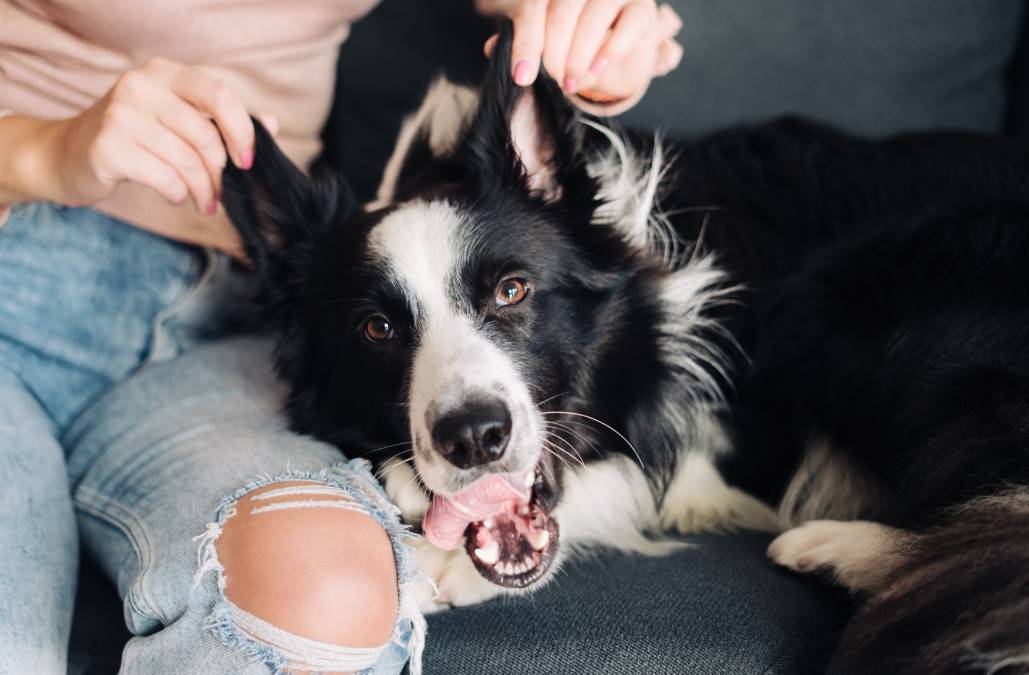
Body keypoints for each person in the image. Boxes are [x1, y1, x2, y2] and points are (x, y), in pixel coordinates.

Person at [0, 1, 682, 672]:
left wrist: (597, 24)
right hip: (16, 287)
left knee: (323, 592)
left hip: (232, 330)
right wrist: (43, 151)